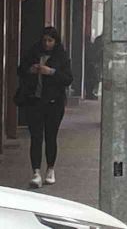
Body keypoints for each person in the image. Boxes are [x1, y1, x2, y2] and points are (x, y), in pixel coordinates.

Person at [16, 27, 74, 188]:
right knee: (35, 137)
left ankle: (50, 168)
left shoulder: (61, 56)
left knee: (50, 136)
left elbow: (68, 78)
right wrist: (30, 70)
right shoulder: (33, 53)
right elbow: (20, 70)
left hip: (53, 103)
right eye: (45, 40)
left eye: (50, 40)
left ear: (55, 42)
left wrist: (51, 72)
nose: (47, 43)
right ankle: (36, 172)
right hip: (35, 101)